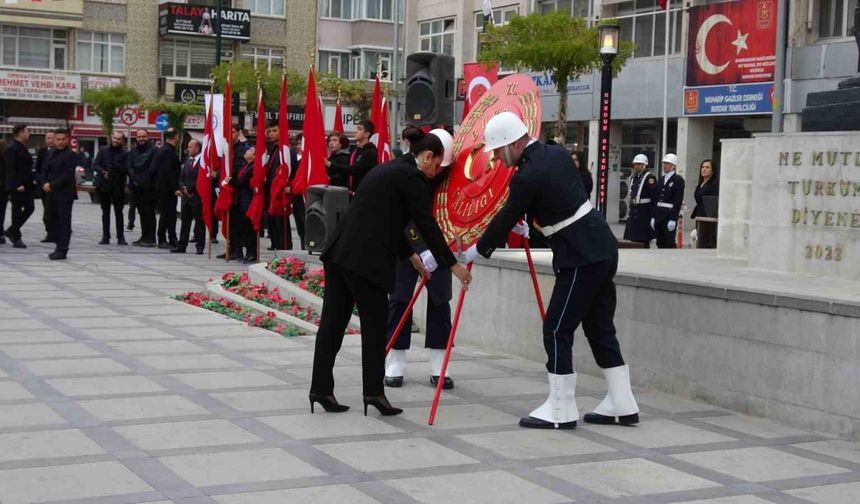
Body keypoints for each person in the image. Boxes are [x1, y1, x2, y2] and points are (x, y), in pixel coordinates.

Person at [463, 112, 639, 430]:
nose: (499, 160)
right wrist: (535, 230)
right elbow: (561, 202)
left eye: (500, 151)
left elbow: (506, 215)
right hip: (599, 245)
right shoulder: (556, 152)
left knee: (556, 329)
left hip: (579, 255)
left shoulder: (526, 175)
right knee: (600, 327)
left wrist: (479, 249)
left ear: (515, 143)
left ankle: (561, 408)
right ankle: (622, 402)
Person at [310, 132, 472, 417]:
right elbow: (427, 225)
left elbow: (387, 220)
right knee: (375, 327)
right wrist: (453, 265)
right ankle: (374, 393)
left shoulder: (390, 169)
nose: (437, 174)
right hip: (364, 262)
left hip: (339, 254)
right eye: (438, 167)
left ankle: (320, 389)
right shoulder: (413, 178)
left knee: (332, 324)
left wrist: (410, 254)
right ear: (427, 156)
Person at [384, 129, 459, 390]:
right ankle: (395, 362)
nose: (439, 171)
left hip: (440, 248)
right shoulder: (405, 172)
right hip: (406, 247)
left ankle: (440, 365)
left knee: (440, 303)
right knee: (400, 302)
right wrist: (419, 248)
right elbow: (402, 217)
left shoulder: (447, 174)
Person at [41, 128, 77, 260]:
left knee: (64, 221)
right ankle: (57, 241)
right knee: (48, 219)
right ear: (53, 140)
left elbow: (67, 175)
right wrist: (44, 182)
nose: (60, 142)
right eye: (58, 139)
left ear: (67, 140)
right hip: (50, 192)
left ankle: (62, 249)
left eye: (63, 139)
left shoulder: (71, 155)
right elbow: (44, 169)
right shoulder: (50, 153)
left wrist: (51, 185)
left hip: (64, 193)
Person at [217, 125, 249, 260]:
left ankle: (238, 249)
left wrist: (231, 177)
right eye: (228, 131)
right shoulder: (225, 148)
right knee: (229, 222)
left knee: (237, 223)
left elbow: (241, 168)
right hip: (228, 189)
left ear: (238, 133)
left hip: (237, 191)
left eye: (233, 131)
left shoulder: (242, 149)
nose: (231, 134)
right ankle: (230, 248)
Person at [94, 131, 129, 245]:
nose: (116, 140)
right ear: (111, 138)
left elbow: (126, 168)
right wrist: (103, 172)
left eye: (119, 139)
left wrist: (115, 170)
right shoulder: (103, 150)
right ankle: (106, 236)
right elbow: (95, 164)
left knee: (119, 212)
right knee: (105, 212)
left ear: (122, 141)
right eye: (114, 138)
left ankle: (121, 237)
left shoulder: (125, 153)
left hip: (118, 185)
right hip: (105, 185)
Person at [4, 124, 37, 249]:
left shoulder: (23, 147)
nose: (29, 134)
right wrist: (16, 184)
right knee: (16, 211)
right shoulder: (12, 149)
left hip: (28, 185)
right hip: (18, 186)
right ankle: (16, 236)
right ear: (20, 133)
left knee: (30, 208)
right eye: (27, 131)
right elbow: (11, 169)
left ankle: (12, 230)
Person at [325, 119, 378, 193]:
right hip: (351, 192)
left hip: (364, 192)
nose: (356, 131)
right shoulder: (354, 150)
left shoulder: (370, 152)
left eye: (360, 129)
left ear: (367, 134)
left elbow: (354, 169)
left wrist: (330, 164)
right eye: (357, 129)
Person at [172, 139, 205, 255]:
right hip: (186, 198)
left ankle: (200, 246)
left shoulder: (203, 162)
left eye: (190, 147)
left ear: (197, 148)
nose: (188, 149)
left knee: (199, 223)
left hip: (197, 197)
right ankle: (182, 245)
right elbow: (181, 177)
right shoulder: (187, 161)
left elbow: (202, 179)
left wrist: (190, 189)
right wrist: (183, 188)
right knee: (185, 222)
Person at [227, 146, 258, 263]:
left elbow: (243, 182)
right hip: (241, 201)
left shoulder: (253, 167)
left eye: (250, 151)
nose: (247, 151)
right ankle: (246, 252)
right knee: (244, 228)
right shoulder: (244, 165)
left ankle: (252, 253)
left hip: (248, 201)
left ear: (254, 156)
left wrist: (231, 181)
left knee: (249, 229)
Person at [128, 130, 157, 247]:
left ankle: (151, 238)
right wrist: (134, 178)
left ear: (148, 137)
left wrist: (143, 180)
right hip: (136, 187)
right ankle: (144, 236)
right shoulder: (133, 151)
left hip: (149, 187)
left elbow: (152, 168)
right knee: (141, 212)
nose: (141, 139)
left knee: (149, 212)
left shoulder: (153, 150)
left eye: (143, 137)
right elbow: (129, 166)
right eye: (139, 137)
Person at [154, 129, 181, 249]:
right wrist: (175, 188)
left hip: (165, 188)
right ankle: (163, 239)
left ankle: (171, 238)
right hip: (166, 190)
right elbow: (168, 172)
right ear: (175, 137)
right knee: (167, 215)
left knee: (170, 215)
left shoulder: (166, 150)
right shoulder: (166, 151)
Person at [623, 153, 657, 248]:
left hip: (644, 213)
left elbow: (654, 198)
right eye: (635, 164)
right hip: (634, 212)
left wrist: (653, 216)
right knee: (633, 240)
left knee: (643, 240)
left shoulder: (650, 178)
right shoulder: (633, 177)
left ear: (644, 165)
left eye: (639, 164)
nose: (636, 166)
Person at [652, 153, 685, 249]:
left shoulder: (678, 180)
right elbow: (656, 199)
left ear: (673, 166)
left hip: (668, 214)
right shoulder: (662, 179)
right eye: (664, 163)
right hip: (659, 214)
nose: (665, 166)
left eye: (667, 164)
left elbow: (677, 201)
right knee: (659, 241)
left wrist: (673, 219)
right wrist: (653, 216)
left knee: (668, 242)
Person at [691, 159, 719, 248]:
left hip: (708, 217)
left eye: (707, 167)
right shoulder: (701, 183)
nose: (704, 169)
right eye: (702, 167)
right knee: (699, 240)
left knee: (706, 241)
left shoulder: (714, 184)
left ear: (712, 170)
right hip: (700, 216)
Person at [35, 131, 55, 242]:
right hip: (44, 186)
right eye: (48, 138)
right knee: (46, 211)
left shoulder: (59, 152)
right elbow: (38, 168)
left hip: (55, 186)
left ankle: (56, 232)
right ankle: (49, 232)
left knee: (54, 211)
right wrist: (41, 182)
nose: (50, 140)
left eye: (52, 138)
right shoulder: (42, 152)